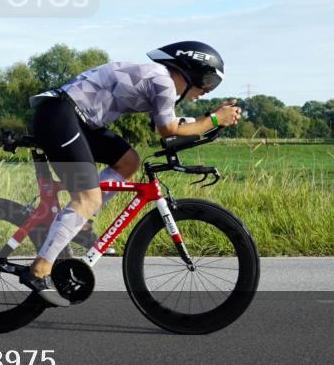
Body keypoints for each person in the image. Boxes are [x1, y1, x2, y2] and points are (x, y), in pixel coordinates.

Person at [19, 41, 242, 306]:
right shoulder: (163, 81)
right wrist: (214, 120)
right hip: (60, 114)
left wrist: (209, 119)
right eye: (208, 81)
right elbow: (168, 131)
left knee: (128, 162)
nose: (207, 91)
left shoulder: (161, 82)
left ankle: (81, 220)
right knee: (87, 198)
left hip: (77, 119)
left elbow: (166, 126)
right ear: (189, 70)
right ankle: (39, 270)